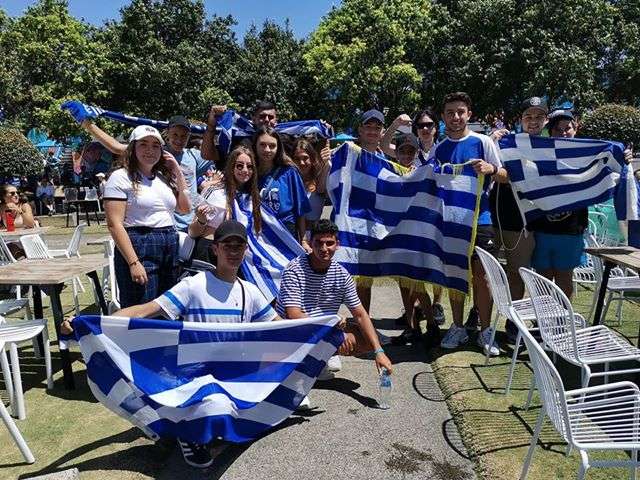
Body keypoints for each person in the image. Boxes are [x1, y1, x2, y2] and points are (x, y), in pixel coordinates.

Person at [277, 219, 394, 406]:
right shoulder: (294, 270)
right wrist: (332, 328)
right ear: (310, 243)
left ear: (337, 244)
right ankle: (295, 381)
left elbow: (361, 314)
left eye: (329, 243)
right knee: (303, 333)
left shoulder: (341, 274)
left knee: (366, 339)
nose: (324, 248)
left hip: (323, 330)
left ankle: (319, 362)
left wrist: (379, 351)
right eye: (319, 243)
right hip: (293, 334)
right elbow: (293, 316)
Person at [429, 92, 507, 356]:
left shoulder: (483, 142)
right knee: (454, 275)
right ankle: (458, 327)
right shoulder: (439, 148)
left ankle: (486, 330)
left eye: (460, 112)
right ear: (443, 117)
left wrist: (491, 169)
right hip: (450, 222)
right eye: (450, 112)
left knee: (482, 277)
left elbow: (505, 176)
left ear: (469, 114)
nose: (456, 117)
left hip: (481, 220)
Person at [62, 103, 212, 231]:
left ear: (189, 136)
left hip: (192, 224)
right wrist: (86, 123)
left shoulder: (194, 156)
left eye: (184, 136)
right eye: (175, 135)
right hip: (164, 224)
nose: (179, 139)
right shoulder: (155, 153)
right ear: (167, 134)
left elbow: (219, 153)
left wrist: (213, 123)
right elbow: (116, 147)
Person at [103, 125, 191, 308]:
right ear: (132, 148)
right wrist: (133, 262)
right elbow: (114, 224)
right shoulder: (120, 177)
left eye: (155, 145)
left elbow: (185, 208)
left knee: (167, 306)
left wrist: (177, 171)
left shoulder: (162, 178)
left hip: (169, 242)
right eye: (143, 144)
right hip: (140, 243)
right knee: (141, 306)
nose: (150, 150)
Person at [489, 96, 547, 341]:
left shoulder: (550, 148)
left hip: (522, 223)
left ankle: (514, 322)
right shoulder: (505, 143)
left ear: (546, 120)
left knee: (516, 273)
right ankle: (480, 316)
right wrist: (491, 142)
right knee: (485, 274)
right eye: (528, 116)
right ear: (520, 119)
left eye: (538, 116)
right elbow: (490, 168)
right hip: (493, 218)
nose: (533, 121)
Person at [528, 109, 587, 298]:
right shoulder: (539, 154)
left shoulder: (586, 155)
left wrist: (623, 156)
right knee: (542, 280)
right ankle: (543, 316)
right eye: (558, 129)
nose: (563, 133)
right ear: (550, 132)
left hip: (571, 231)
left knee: (564, 279)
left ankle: (563, 316)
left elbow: (610, 166)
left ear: (575, 129)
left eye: (567, 128)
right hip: (542, 229)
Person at [188, 145, 262, 244]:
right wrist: (201, 221)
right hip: (210, 248)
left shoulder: (253, 197)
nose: (245, 170)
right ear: (231, 167)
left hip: (240, 250)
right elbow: (192, 232)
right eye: (239, 166)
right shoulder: (215, 191)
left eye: (249, 166)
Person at [253, 126, 311, 246]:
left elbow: (300, 210)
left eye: (272, 146)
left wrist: (304, 240)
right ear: (255, 146)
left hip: (285, 232)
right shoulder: (248, 173)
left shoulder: (289, 172)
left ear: (278, 148)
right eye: (262, 145)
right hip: (258, 234)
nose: (267, 150)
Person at [201, 101, 279, 170]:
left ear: (276, 120)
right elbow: (208, 155)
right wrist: (211, 125)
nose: (267, 120)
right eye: (262, 116)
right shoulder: (237, 138)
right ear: (253, 119)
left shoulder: (282, 140)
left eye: (271, 117)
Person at [291, 138, 327, 230]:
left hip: (314, 233)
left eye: (305, 158)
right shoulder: (289, 181)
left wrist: (327, 164)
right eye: (297, 159)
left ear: (312, 158)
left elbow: (321, 189)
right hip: (291, 232)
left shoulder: (319, 178)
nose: (301, 163)